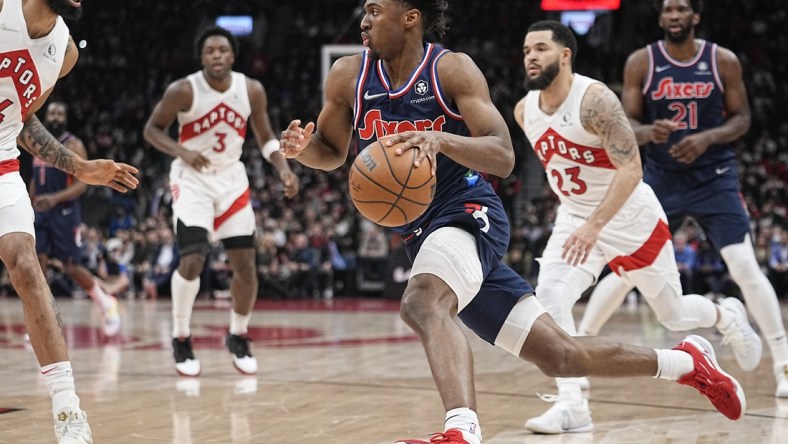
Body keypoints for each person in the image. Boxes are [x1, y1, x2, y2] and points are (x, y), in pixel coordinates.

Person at [280, 2, 746, 443]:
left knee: (422, 303)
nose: (363, 20)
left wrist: (440, 139)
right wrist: (304, 151)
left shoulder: (451, 69)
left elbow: (502, 156)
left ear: (410, 18)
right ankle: (685, 362)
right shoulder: (347, 76)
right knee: (560, 356)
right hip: (422, 236)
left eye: (375, 11)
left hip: (467, 211)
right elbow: (333, 150)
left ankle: (462, 429)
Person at [513, 20, 760, 435]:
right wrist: (584, 221)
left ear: (565, 54)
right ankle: (573, 405)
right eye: (525, 51)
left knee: (675, 315)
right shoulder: (524, 111)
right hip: (576, 218)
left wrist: (596, 224)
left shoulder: (594, 100)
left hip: (630, 216)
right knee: (550, 298)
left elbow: (631, 169)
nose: (531, 57)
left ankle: (726, 315)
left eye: (540, 48)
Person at [577, 0, 788, 398]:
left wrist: (708, 137)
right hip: (660, 177)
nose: (674, 15)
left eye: (681, 9)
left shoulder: (722, 60)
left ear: (695, 17)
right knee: (626, 271)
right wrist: (648, 131)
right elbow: (628, 123)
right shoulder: (641, 62)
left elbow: (742, 118)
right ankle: (579, 353)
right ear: (661, 18)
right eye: (668, 9)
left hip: (715, 178)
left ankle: (784, 364)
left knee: (744, 265)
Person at [0, 0, 139, 442]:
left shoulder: (65, 51)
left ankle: (68, 411)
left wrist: (79, 167)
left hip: (2, 162)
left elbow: (21, 120)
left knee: (25, 262)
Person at [143, 26, 300, 377]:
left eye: (222, 50)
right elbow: (151, 130)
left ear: (232, 55)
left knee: (246, 265)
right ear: (202, 57)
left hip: (231, 179)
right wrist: (181, 150)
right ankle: (181, 336)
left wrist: (283, 170)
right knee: (194, 256)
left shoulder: (251, 90)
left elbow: (265, 137)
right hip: (191, 179)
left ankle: (238, 334)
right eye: (210, 51)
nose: (216, 55)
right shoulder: (183, 89)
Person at [30, 102, 121, 336]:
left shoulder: (73, 144)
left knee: (71, 266)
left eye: (60, 113)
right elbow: (36, 178)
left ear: (66, 118)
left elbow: (83, 184)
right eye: (52, 113)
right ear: (46, 116)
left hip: (65, 212)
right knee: (39, 265)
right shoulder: (38, 141)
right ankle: (45, 322)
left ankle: (105, 302)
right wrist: (31, 201)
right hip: (41, 211)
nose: (56, 117)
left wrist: (54, 198)